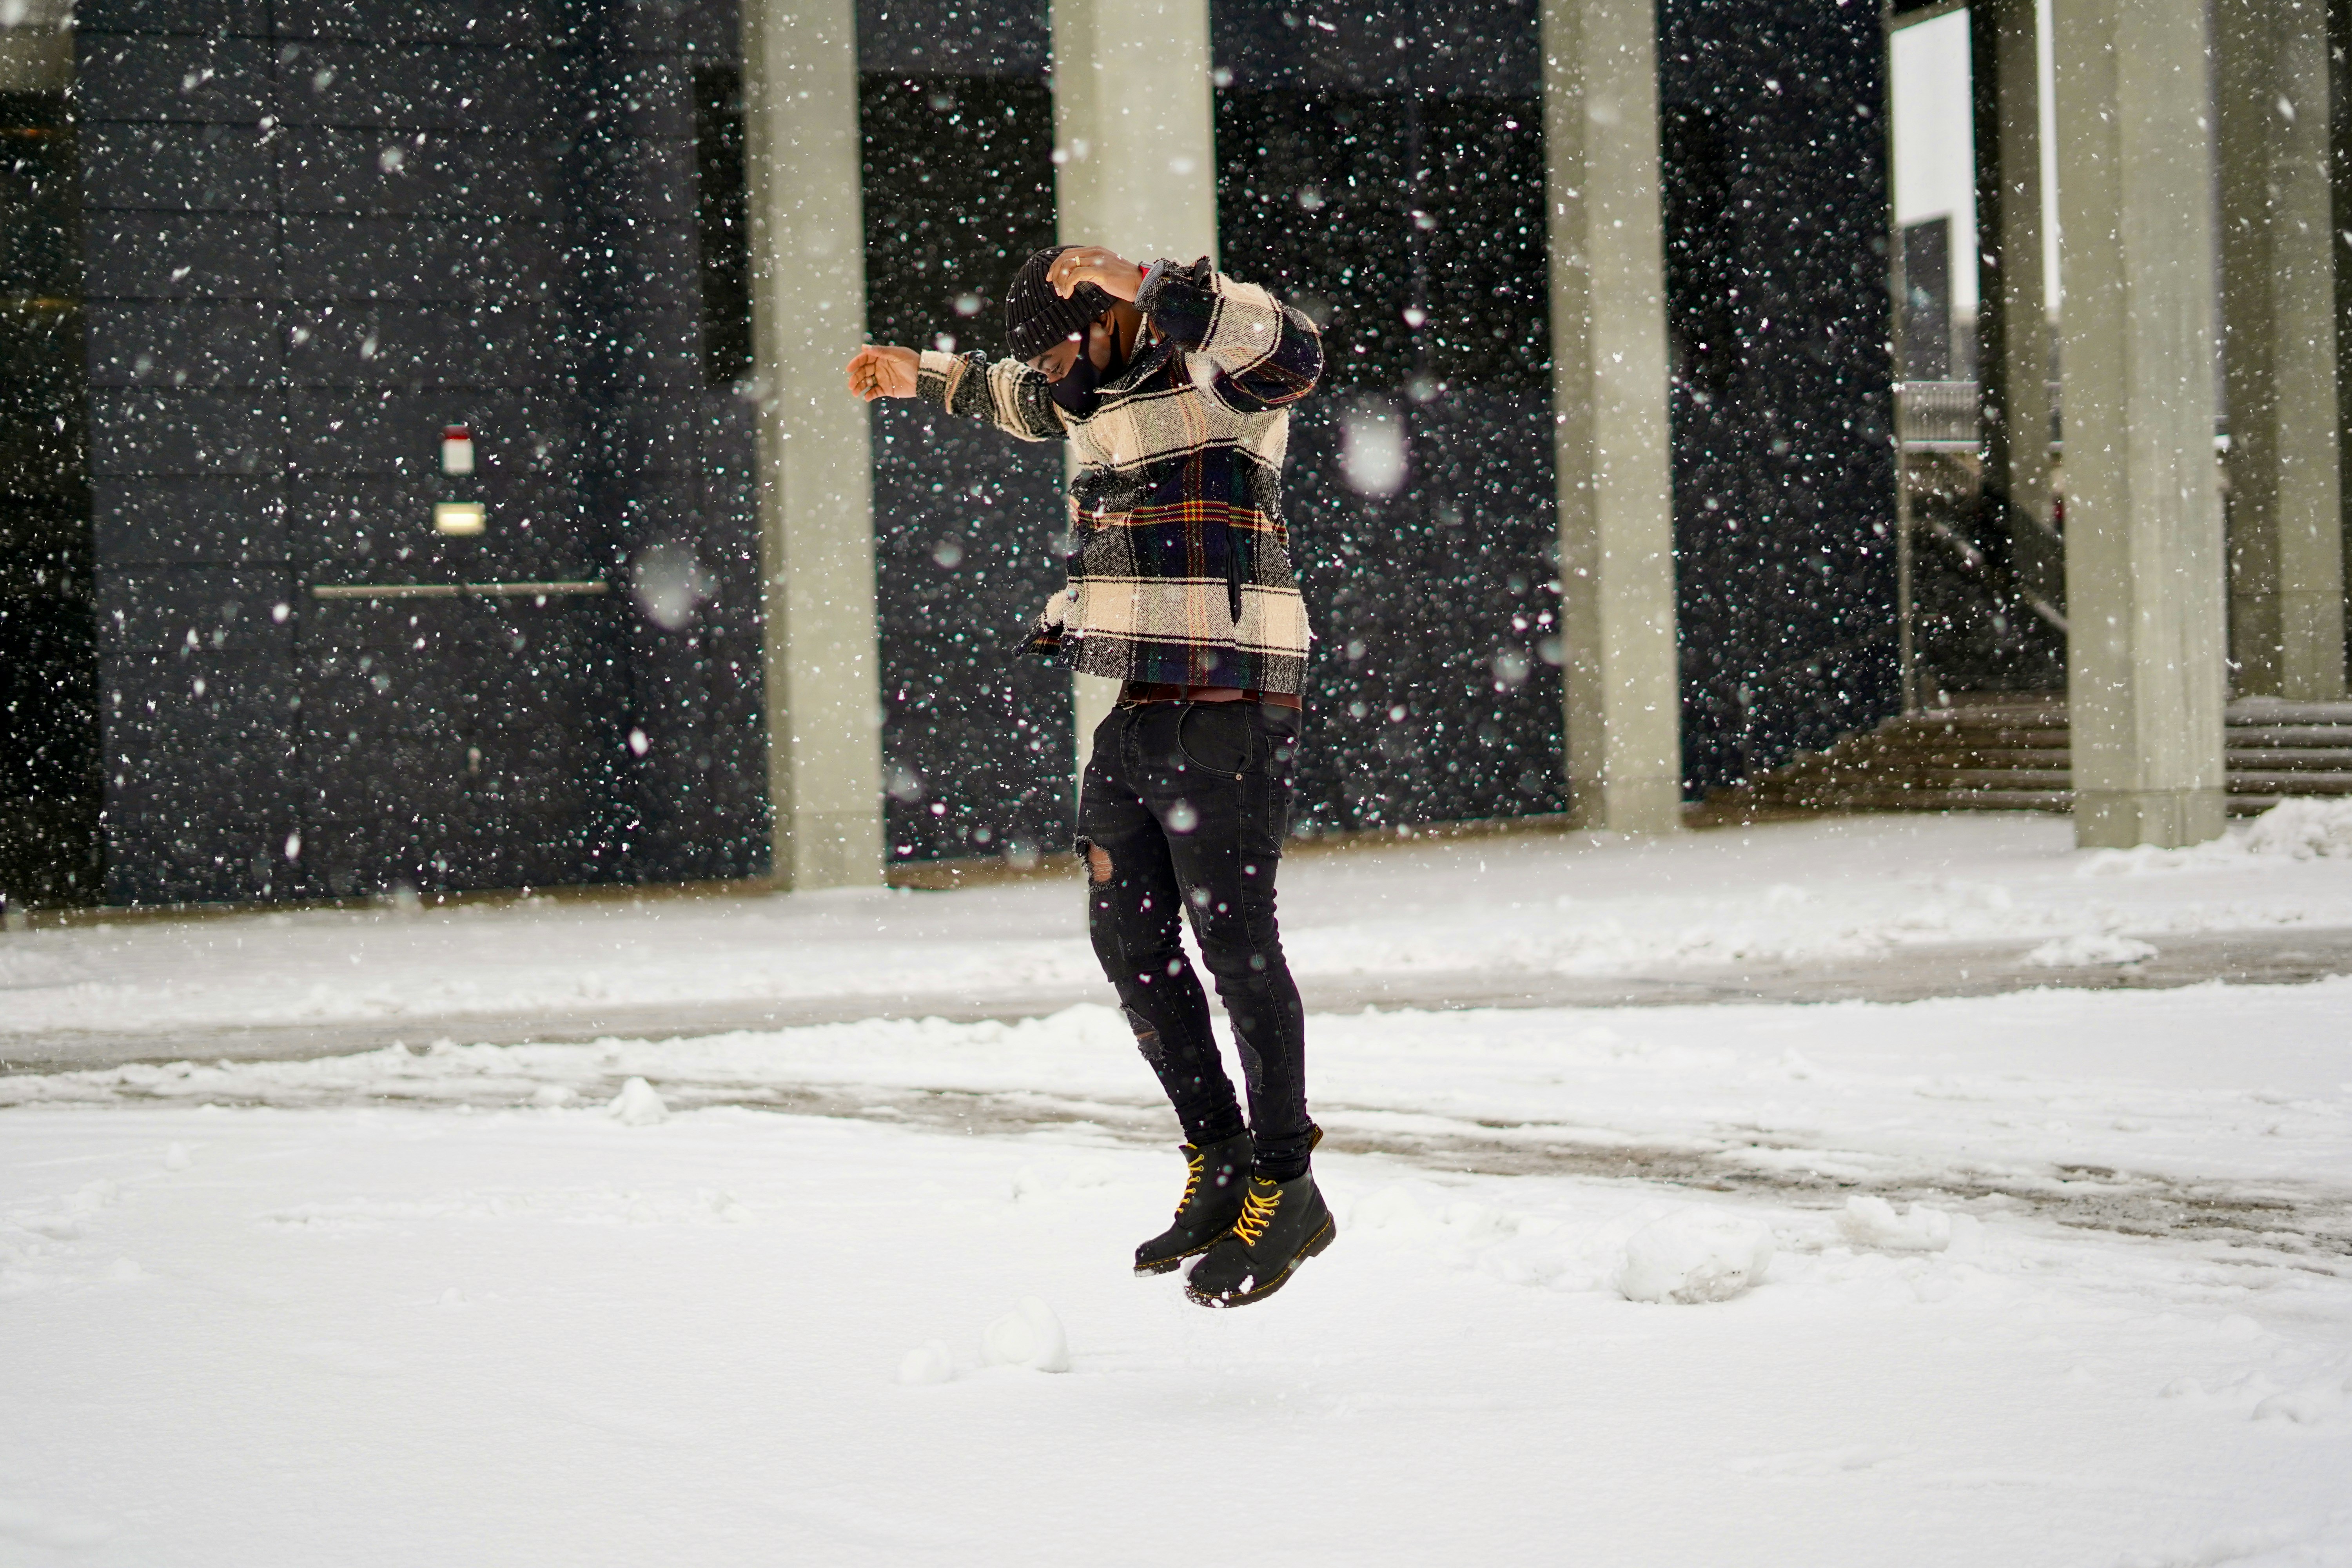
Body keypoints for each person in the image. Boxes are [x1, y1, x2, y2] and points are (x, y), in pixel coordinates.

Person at [844, 245, 1330, 1308]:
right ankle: (1219, 1157)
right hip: (1143, 702)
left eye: (1067, 346)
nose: (1055, 375)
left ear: (1116, 319)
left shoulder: (1213, 370)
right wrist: (911, 371)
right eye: (1048, 360)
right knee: (1130, 941)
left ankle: (1288, 1184)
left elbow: (1292, 348)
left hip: (1236, 693)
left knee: (1238, 950)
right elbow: (1013, 395)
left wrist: (1150, 277)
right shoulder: (1088, 389)